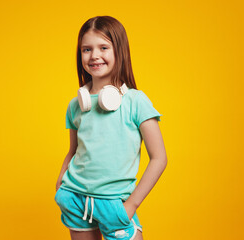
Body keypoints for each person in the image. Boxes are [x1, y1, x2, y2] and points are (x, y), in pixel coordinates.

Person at [55, 15, 167, 240]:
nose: (94, 55)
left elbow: (159, 158)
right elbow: (74, 151)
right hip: (74, 197)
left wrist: (131, 205)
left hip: (115, 203)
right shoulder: (76, 105)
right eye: (87, 49)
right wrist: (60, 186)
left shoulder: (136, 101)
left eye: (103, 47)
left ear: (120, 51)